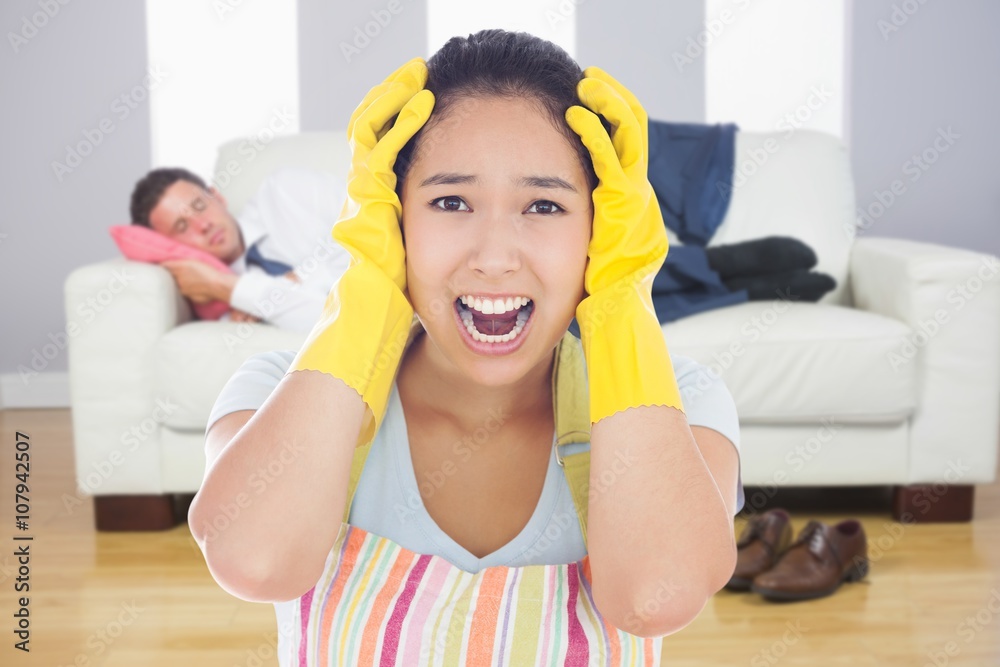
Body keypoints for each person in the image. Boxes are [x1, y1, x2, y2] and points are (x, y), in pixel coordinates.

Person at [189, 30, 744, 664]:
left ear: (601, 225)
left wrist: (621, 300)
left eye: (543, 205)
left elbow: (654, 598)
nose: (494, 259)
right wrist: (368, 286)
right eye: (450, 201)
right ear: (394, 219)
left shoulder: (682, 405)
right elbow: (255, 563)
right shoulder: (272, 394)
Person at [128, 166, 350, 332]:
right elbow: (339, 324)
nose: (203, 225)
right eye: (182, 226)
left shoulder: (286, 190)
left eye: (199, 206)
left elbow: (373, 240)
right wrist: (227, 288)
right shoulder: (227, 312)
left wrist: (289, 284)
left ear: (217, 197)